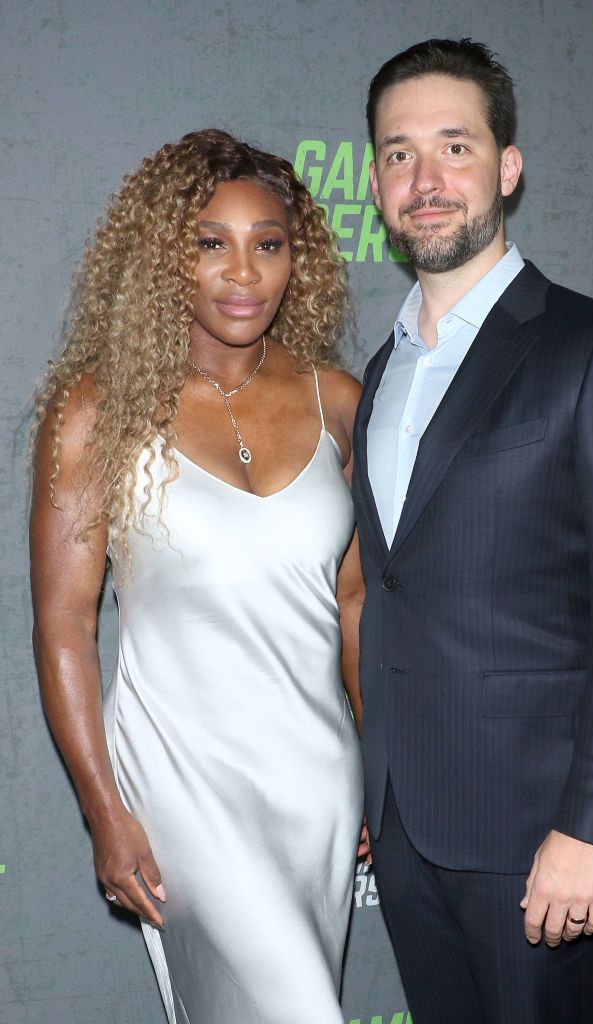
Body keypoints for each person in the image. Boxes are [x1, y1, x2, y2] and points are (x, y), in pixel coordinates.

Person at [352, 39, 593, 1024]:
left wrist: (592, 828)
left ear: (507, 167)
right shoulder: (380, 372)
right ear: (374, 183)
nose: (425, 179)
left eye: (454, 147)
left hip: (541, 836)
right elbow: (392, 591)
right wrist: (374, 787)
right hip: (405, 826)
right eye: (399, 153)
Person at [30, 128, 365, 1024]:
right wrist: (104, 809)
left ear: (297, 261)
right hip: (180, 781)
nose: (243, 272)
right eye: (210, 242)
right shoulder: (98, 409)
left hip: (316, 782)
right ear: (162, 259)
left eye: (269, 244)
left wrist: (380, 762)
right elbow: (65, 625)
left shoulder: (338, 402)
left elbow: (355, 600)